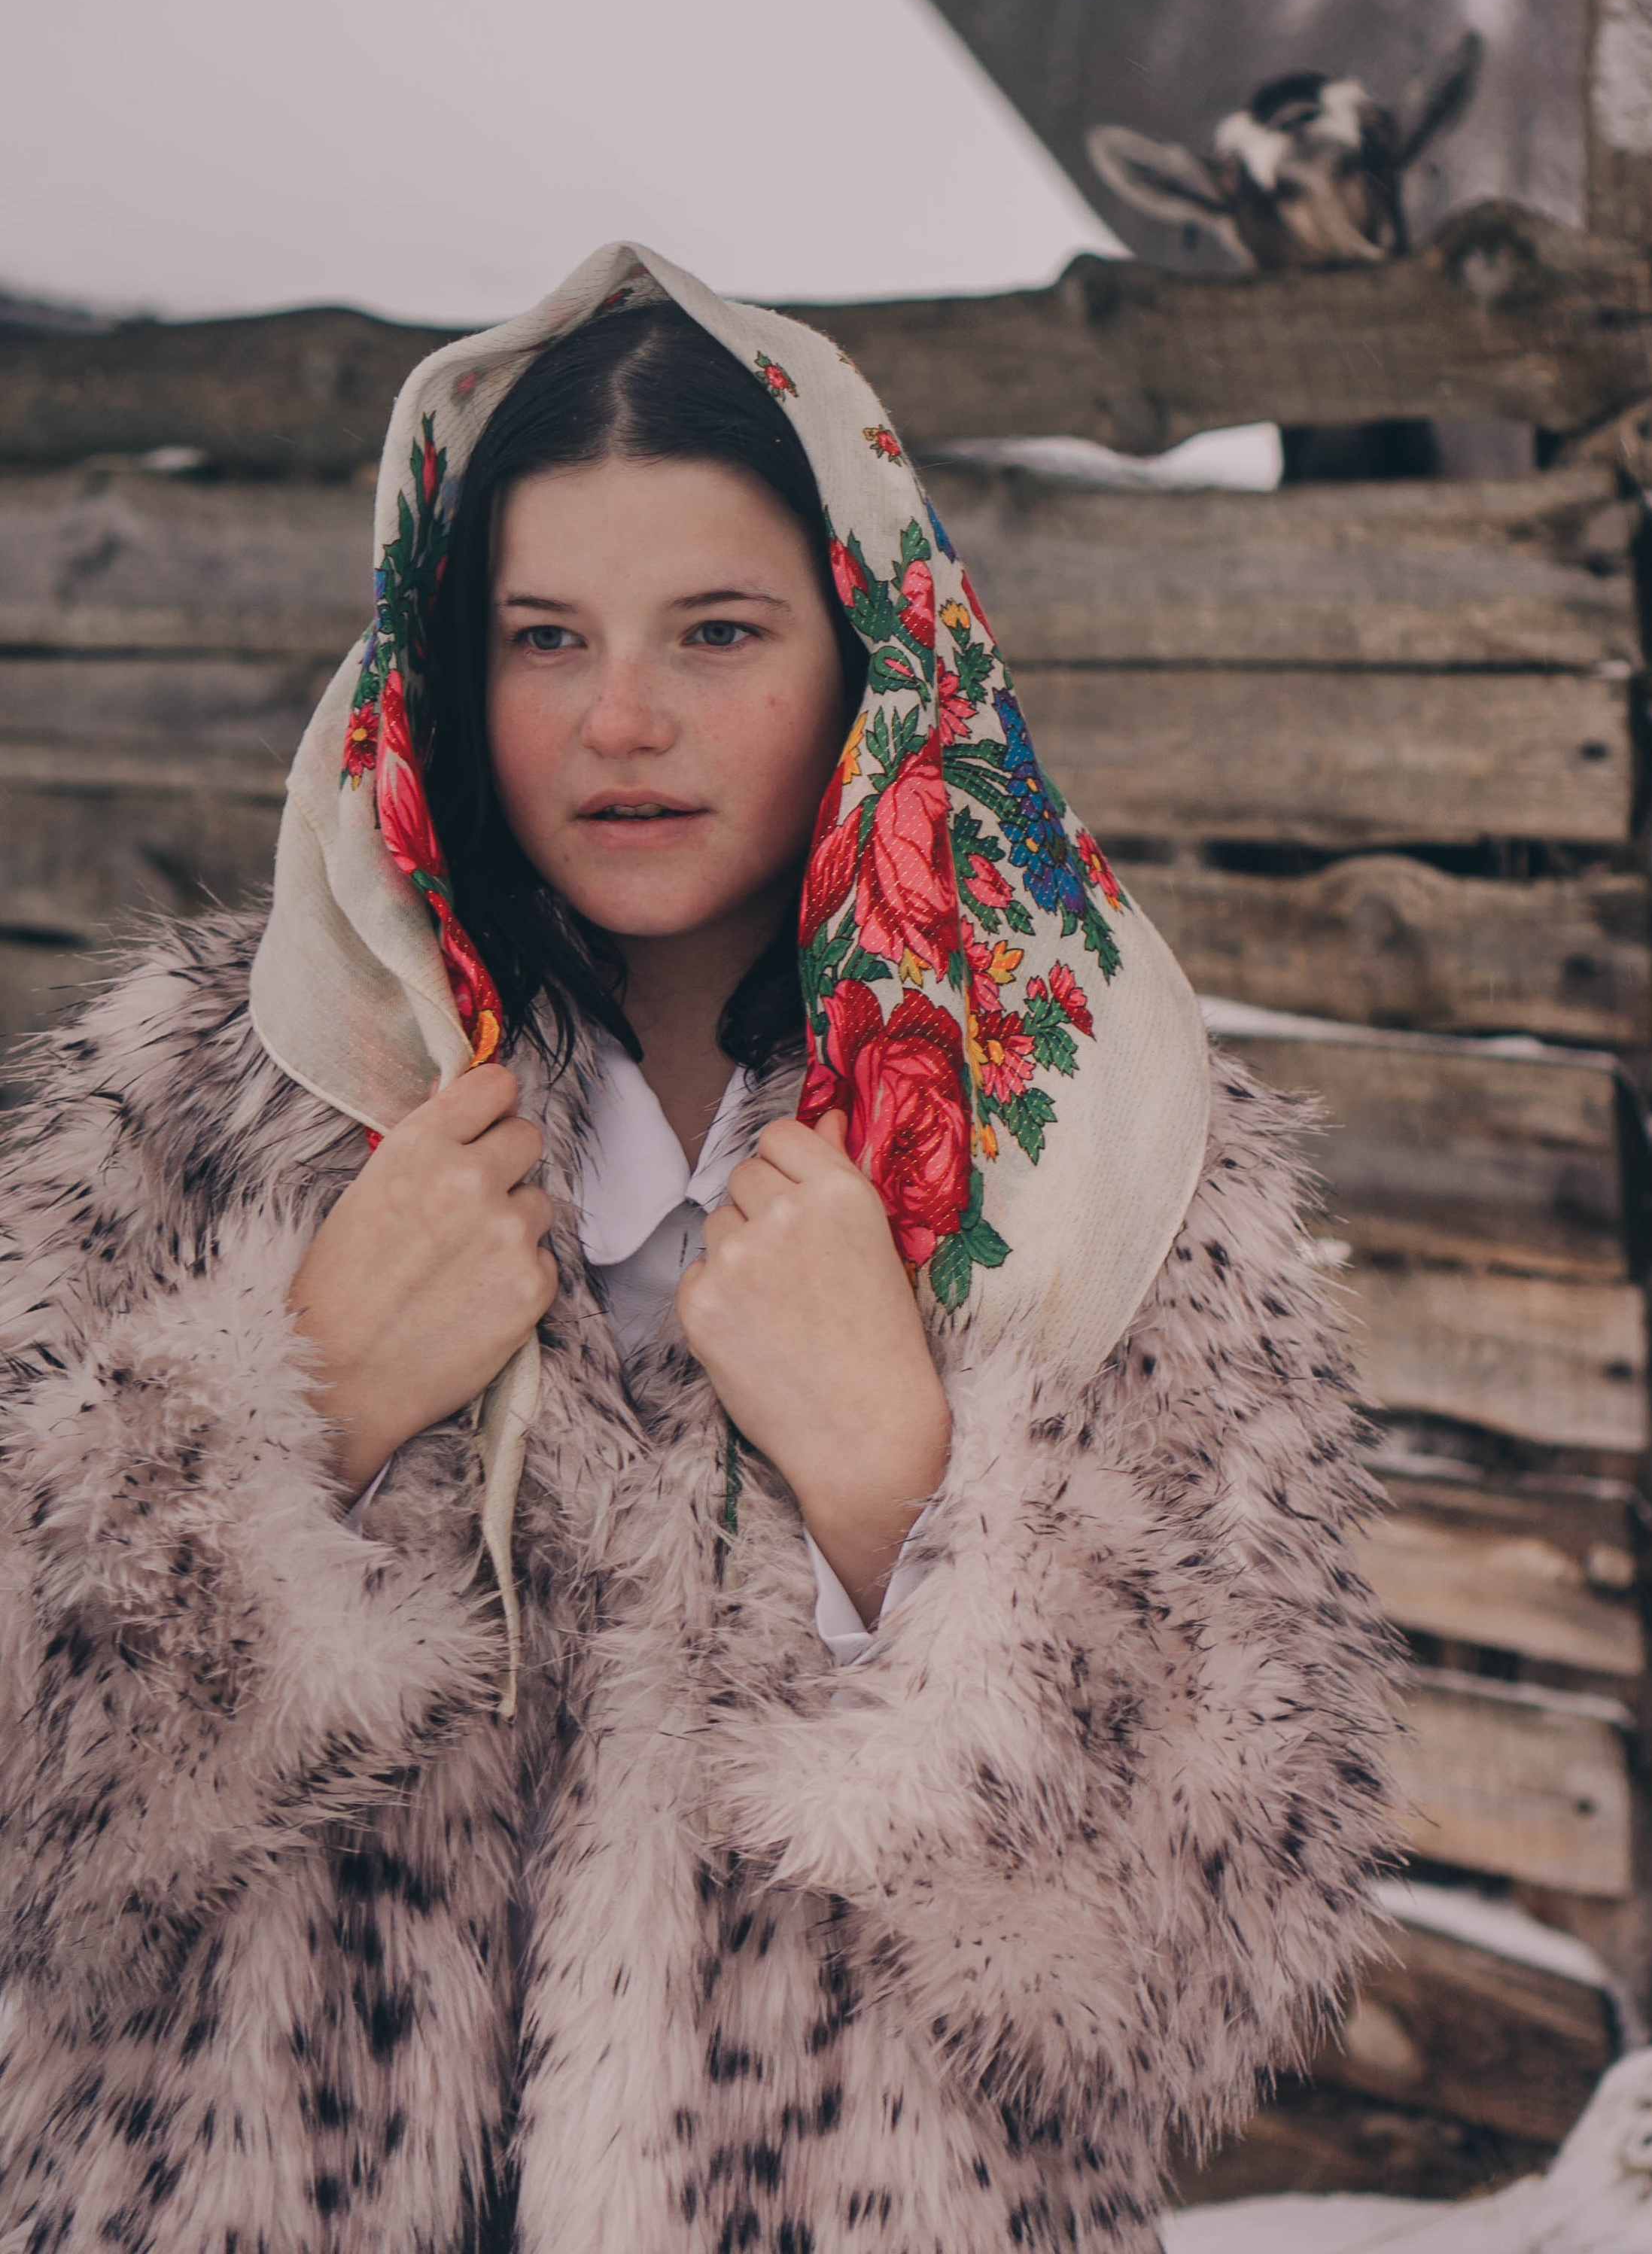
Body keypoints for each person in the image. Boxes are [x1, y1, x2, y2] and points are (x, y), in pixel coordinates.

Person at [0, 241, 1396, 2252]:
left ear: (870, 651)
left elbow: (1201, 1980)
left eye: (720, 631)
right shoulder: (213, 1103)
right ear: (434, 661)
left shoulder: (1107, 1160)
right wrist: (284, 1423)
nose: (621, 720)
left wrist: (897, 1500)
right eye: (542, 638)